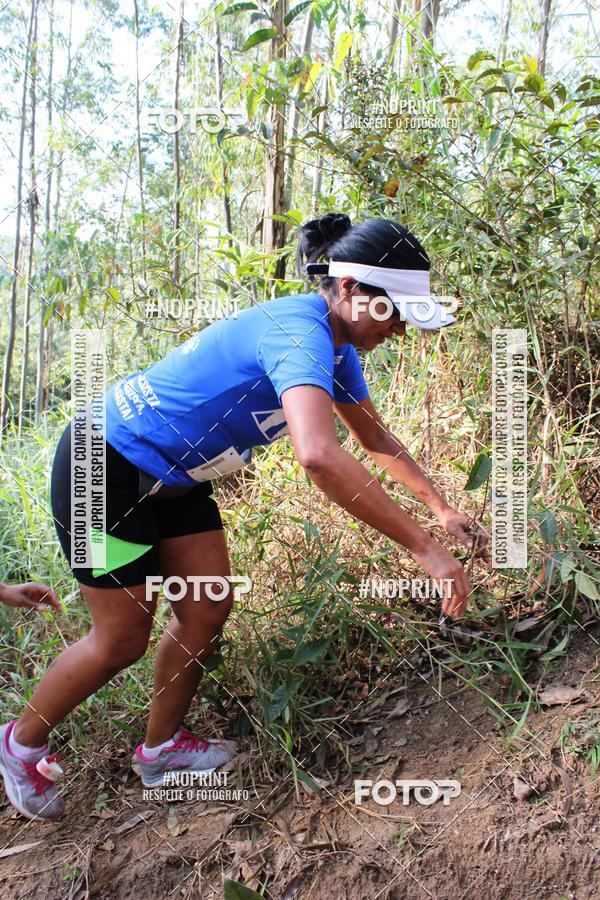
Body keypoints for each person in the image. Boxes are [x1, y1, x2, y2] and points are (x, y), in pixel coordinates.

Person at [0, 214, 487, 821]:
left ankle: (161, 751)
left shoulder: (336, 348)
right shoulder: (297, 331)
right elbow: (318, 454)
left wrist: (440, 509)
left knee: (207, 606)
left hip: (176, 480)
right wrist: (424, 550)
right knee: (121, 639)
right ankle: (20, 744)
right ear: (354, 293)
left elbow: (374, 438)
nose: (403, 334)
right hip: (104, 468)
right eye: (395, 315)